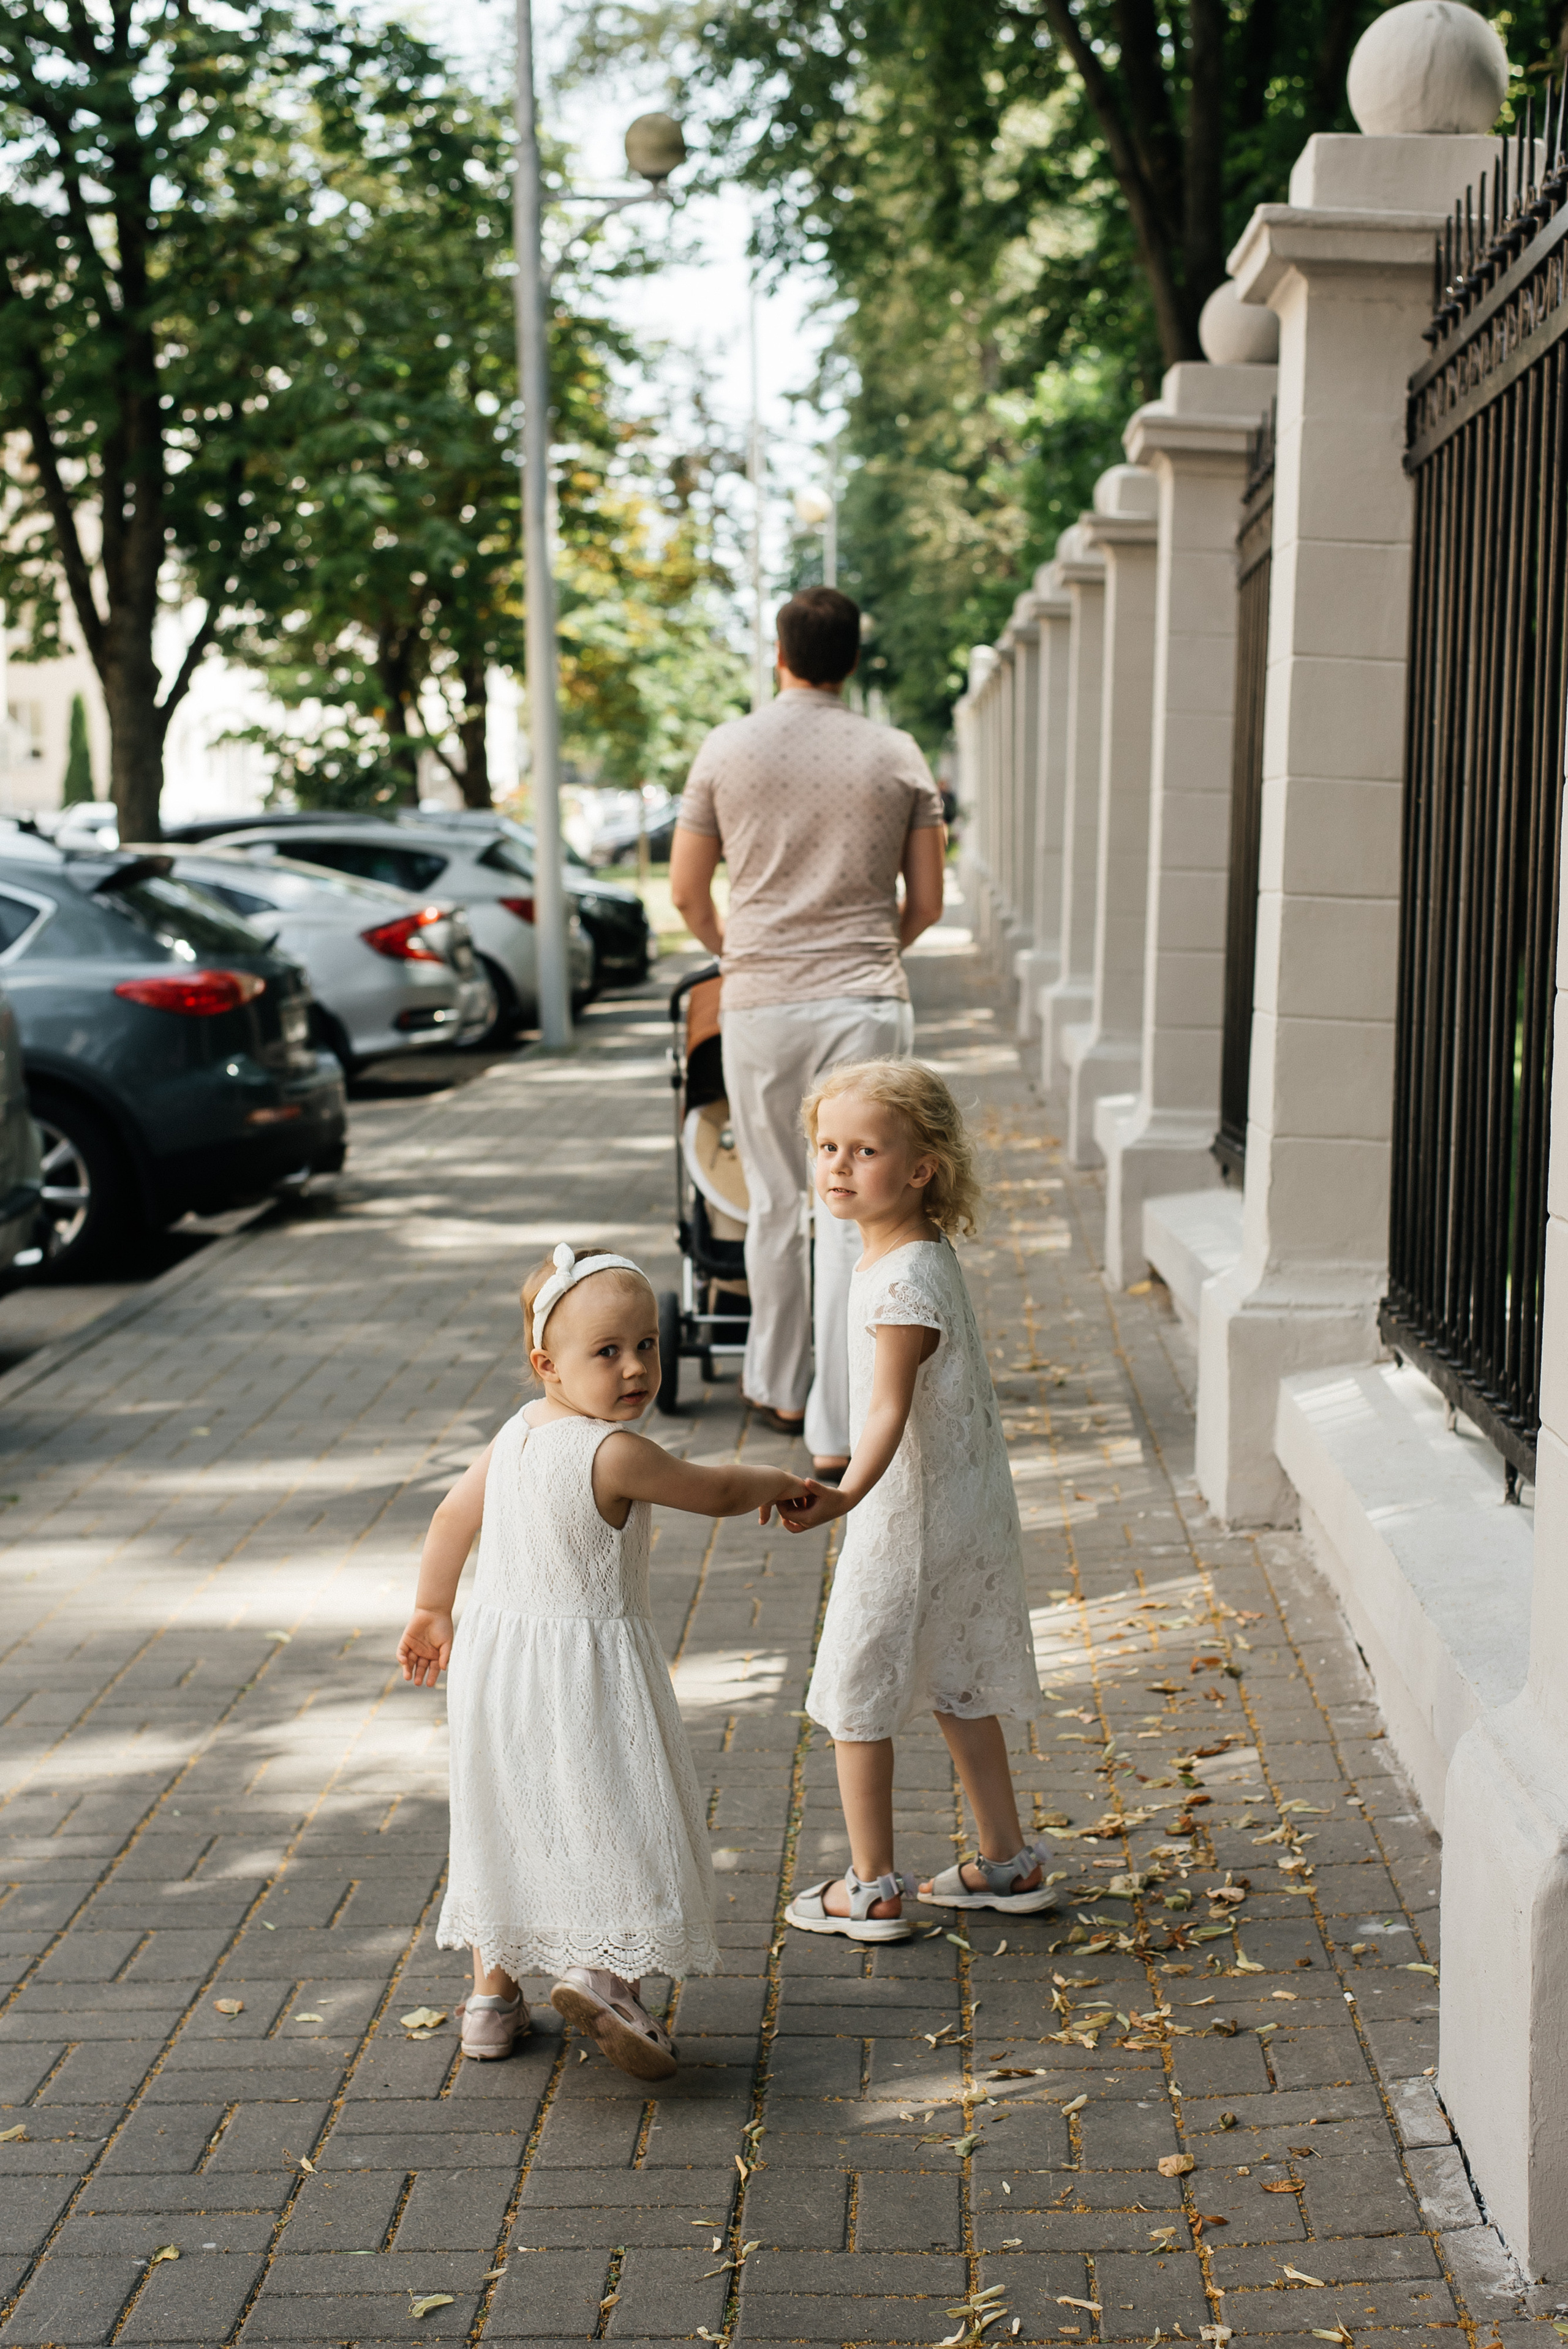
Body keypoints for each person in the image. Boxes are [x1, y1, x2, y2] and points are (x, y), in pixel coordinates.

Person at [396, 1243, 810, 2073]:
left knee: (507, 1814)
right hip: (584, 1671)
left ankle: (491, 2002)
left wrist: (433, 1610)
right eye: (608, 1352)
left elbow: (449, 1518)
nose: (636, 1369)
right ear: (548, 1364)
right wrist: (778, 1479)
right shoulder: (613, 1452)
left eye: (647, 1345)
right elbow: (717, 1490)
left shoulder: (516, 1432)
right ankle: (606, 1979)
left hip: (497, 1663)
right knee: (607, 1808)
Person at [669, 586, 946, 1475]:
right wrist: (867, 954)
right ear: (854, 659)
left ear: (779, 653)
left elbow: (685, 891)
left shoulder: (727, 750)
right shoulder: (897, 754)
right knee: (855, 1209)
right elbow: (930, 902)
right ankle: (838, 1428)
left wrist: (741, 956)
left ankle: (779, 1384)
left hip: (760, 1005)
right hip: (863, 1000)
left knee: (778, 1198)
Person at [775, 1061, 1047, 1942]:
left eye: (866, 1150)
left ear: (922, 1168)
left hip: (908, 1517)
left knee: (856, 1683)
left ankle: (871, 1888)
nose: (839, 1166)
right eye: (827, 1147)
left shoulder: (900, 1282)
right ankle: (1007, 1861)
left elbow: (889, 1404)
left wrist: (845, 1492)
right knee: (959, 1681)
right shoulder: (916, 1253)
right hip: (963, 1511)